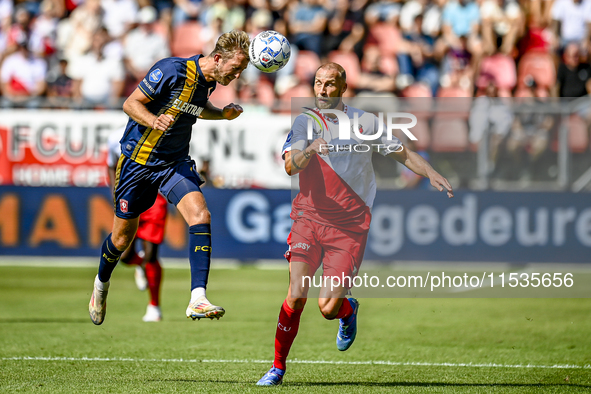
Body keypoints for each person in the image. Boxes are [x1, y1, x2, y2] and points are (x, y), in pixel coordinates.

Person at [257, 63, 454, 386]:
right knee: (295, 294)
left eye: (330, 84)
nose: (322, 90)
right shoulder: (306, 122)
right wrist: (309, 150)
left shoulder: (365, 122)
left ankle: (347, 310)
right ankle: (278, 368)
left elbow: (401, 153)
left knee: (327, 307)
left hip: (349, 226)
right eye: (318, 83)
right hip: (309, 217)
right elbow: (291, 166)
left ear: (343, 87)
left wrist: (430, 172)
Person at [88, 30, 251, 325]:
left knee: (200, 214)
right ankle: (101, 284)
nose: (238, 75)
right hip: (137, 162)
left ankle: (197, 298)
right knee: (122, 238)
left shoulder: (208, 83)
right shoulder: (171, 70)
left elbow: (196, 109)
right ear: (217, 58)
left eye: (242, 70)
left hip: (172, 163)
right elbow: (130, 103)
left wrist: (222, 115)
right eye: (236, 68)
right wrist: (153, 120)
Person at [107, 127, 168, 322]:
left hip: (155, 199)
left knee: (151, 254)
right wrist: (114, 193)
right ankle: (139, 264)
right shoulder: (115, 137)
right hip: (129, 197)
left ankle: (154, 306)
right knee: (124, 256)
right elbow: (111, 165)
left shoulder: (161, 131)